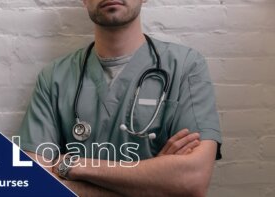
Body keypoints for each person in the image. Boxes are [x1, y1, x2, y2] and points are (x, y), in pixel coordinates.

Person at [19, 0, 222, 196]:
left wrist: (74, 165)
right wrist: (154, 182)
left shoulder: (186, 66)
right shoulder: (55, 77)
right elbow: (32, 184)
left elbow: (193, 181)